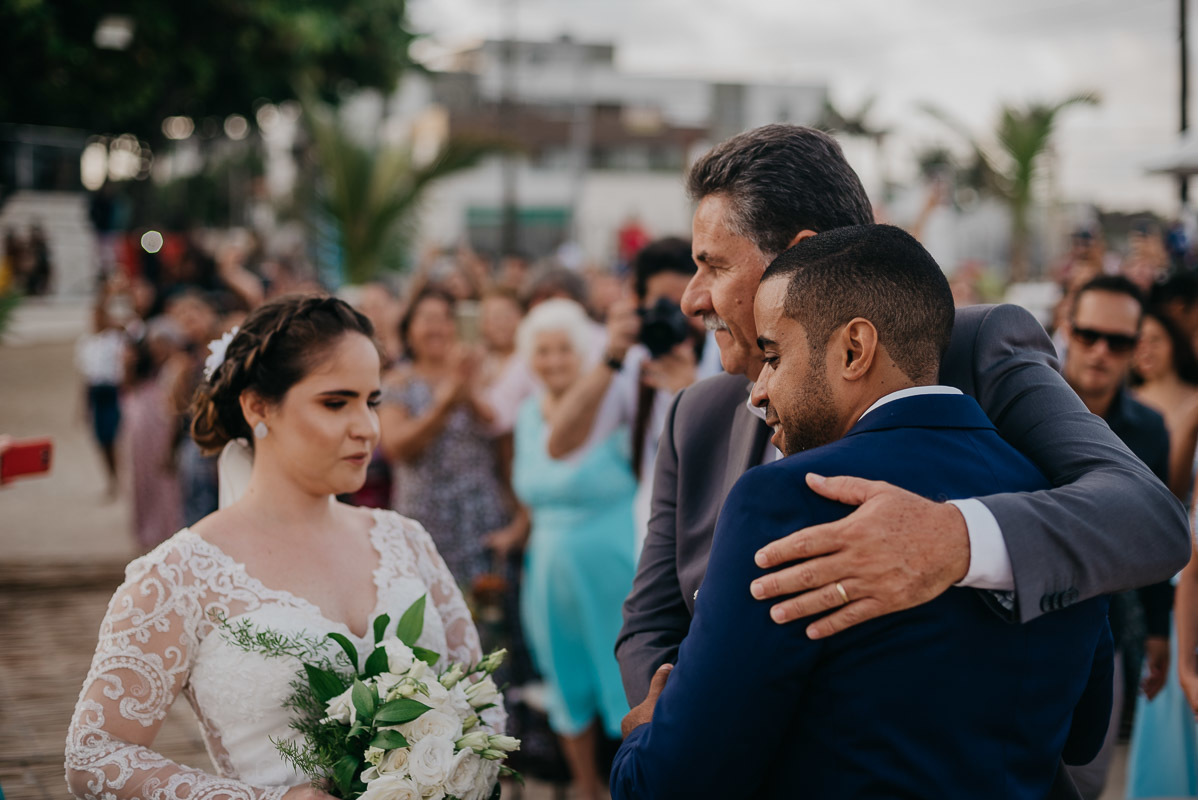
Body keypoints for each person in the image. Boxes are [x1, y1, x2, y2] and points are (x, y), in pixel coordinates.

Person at [616, 124, 1188, 719]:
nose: (690, 299)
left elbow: (1147, 518)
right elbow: (649, 624)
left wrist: (954, 539)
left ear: (794, 255)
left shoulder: (975, 349)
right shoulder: (696, 417)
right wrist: (682, 726)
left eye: (712, 266)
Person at [611, 225, 1112, 799]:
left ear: (854, 349)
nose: (759, 389)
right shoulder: (1058, 497)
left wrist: (644, 733)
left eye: (773, 355)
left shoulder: (787, 499)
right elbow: (1085, 734)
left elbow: (673, 784)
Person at [65, 294, 493, 799]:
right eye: (336, 402)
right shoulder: (179, 575)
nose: (367, 427)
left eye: (372, 400)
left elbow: (482, 705)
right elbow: (94, 755)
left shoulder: (406, 540)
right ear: (257, 406)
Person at [511, 299, 638, 800]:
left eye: (564, 349)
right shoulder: (526, 413)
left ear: (582, 352)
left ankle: (632, 784)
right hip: (546, 571)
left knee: (624, 673)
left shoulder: (616, 401)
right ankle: (585, 788)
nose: (554, 360)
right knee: (565, 677)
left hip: (611, 565)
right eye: (543, 351)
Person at [1056, 276, 1173, 798]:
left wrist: (1156, 628)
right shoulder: (1005, 407)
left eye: (1118, 342)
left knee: (1089, 776)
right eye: (1087, 335)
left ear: (1136, 347)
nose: (1101, 351)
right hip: (1015, 614)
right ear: (1067, 330)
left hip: (1111, 621)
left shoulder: (1150, 429)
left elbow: (1156, 535)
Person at [546, 238, 722, 549]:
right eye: (664, 306)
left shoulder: (727, 358)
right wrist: (611, 356)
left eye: (687, 302)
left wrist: (693, 394)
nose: (680, 315)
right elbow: (560, 445)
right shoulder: (633, 365)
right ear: (637, 305)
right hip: (654, 541)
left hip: (718, 535)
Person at [379, 287, 510, 587]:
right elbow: (396, 447)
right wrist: (443, 406)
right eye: (426, 319)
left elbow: (497, 429)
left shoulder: (482, 373)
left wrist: (467, 387)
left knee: (484, 615)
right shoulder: (398, 382)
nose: (436, 327)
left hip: (479, 516)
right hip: (425, 518)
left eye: (445, 318)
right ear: (410, 329)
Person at [120, 317, 185, 550]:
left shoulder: (177, 366)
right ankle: (147, 532)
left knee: (165, 482)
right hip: (142, 431)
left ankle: (166, 531)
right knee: (142, 479)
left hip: (161, 430)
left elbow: (175, 406)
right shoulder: (142, 374)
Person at [1133, 307, 1198, 499]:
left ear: (1174, 343)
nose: (1145, 349)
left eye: (1154, 340)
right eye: (1137, 341)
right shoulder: (1123, 406)